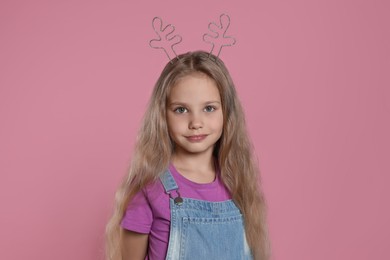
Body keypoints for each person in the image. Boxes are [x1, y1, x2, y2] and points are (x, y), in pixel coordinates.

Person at [105, 51, 269, 260]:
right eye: (181, 110)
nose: (196, 123)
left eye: (209, 108)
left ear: (226, 112)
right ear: (162, 115)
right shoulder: (151, 186)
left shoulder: (237, 181)